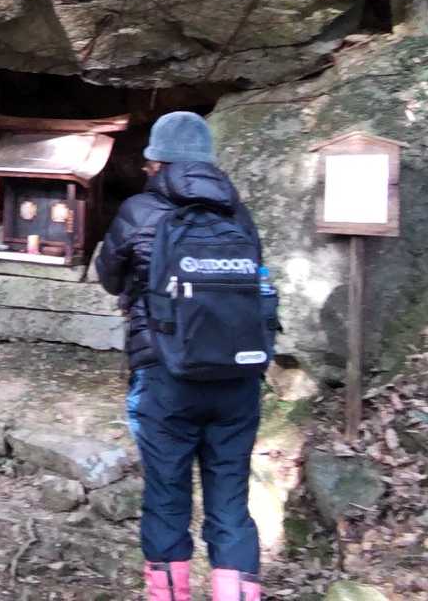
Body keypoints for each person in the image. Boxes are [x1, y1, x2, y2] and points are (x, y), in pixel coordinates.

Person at [96, 110, 264, 601]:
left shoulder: (139, 211)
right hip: (237, 380)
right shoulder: (237, 213)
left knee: (167, 498)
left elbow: (108, 276)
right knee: (230, 503)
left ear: (157, 163)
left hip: (165, 376)